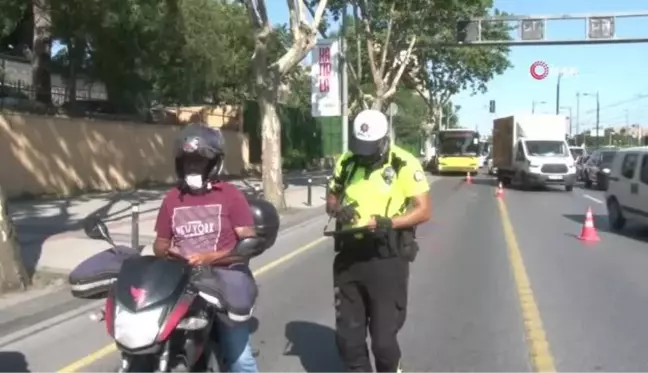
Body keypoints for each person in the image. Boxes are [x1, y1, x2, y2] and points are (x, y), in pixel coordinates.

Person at [326, 109, 432, 373]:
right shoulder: (348, 161)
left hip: (386, 257)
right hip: (350, 256)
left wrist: (388, 222)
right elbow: (331, 197)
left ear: (384, 140)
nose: (363, 153)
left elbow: (424, 210)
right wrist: (338, 209)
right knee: (348, 342)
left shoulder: (404, 163)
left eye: (369, 148)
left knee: (383, 342)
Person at [153, 123, 259, 373]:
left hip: (225, 277)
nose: (192, 167)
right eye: (188, 161)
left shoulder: (231, 195)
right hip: (182, 280)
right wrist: (170, 253)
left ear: (214, 164)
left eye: (199, 162)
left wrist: (211, 257)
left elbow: (249, 242)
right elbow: (160, 244)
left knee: (240, 359)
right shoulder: (171, 199)